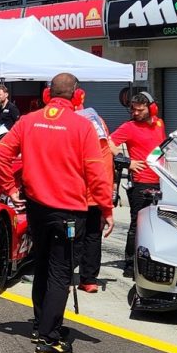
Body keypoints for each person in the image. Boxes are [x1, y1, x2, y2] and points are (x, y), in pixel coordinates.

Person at [0, 73, 113, 353]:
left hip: (36, 209)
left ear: (48, 95)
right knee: (60, 272)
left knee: (43, 266)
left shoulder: (28, 121)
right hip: (69, 212)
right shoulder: (83, 126)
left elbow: (0, 155)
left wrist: (10, 188)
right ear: (77, 95)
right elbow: (97, 173)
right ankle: (49, 339)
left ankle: (39, 324)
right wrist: (107, 209)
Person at [109, 91, 167, 277]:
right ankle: (129, 263)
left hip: (160, 181)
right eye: (133, 109)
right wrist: (127, 162)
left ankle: (150, 259)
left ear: (151, 108)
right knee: (137, 224)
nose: (135, 113)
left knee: (157, 224)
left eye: (139, 110)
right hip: (141, 184)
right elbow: (107, 143)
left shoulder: (159, 123)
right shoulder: (129, 127)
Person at [75, 99, 114, 293]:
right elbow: (108, 154)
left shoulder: (72, 123)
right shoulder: (98, 119)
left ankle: (62, 279)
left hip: (76, 192)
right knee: (92, 235)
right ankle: (89, 279)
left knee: (70, 236)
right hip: (98, 190)